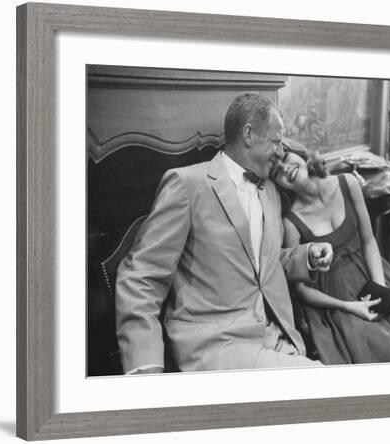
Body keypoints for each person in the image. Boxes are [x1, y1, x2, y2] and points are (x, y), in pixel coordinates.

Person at [115, 93, 333, 374]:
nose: (281, 151)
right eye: (276, 141)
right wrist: (144, 368)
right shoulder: (187, 185)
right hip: (216, 345)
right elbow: (140, 278)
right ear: (249, 134)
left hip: (277, 337)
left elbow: (261, 264)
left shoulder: (270, 191)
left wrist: (306, 257)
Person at [271, 149, 390, 364]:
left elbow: (369, 241)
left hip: (370, 275)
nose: (286, 169)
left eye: (286, 158)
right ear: (278, 185)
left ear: (301, 156)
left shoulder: (347, 183)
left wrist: (380, 290)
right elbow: (302, 290)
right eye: (277, 172)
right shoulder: (291, 222)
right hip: (333, 300)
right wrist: (349, 307)